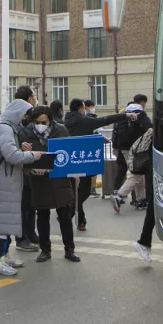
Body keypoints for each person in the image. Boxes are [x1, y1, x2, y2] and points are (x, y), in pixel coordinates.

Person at [0, 95, 44, 276]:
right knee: (2, 223)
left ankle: (5, 256)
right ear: (18, 113)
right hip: (4, 182)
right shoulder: (4, 129)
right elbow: (11, 155)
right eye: (25, 115)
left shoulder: (10, 129)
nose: (26, 119)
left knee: (7, 221)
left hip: (9, 181)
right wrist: (32, 156)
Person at [64, 98, 134, 231]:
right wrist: (125, 115)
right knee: (83, 191)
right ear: (80, 109)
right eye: (84, 108)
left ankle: (80, 220)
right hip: (84, 161)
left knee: (75, 191)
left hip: (68, 162)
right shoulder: (85, 121)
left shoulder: (63, 122)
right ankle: (70, 212)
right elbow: (106, 119)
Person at [25, 106, 79, 263]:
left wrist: (74, 173)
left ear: (50, 120)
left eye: (44, 122)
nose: (40, 124)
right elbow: (22, 159)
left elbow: (69, 152)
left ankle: (70, 249)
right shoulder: (27, 133)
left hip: (59, 179)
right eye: (37, 122)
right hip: (38, 181)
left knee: (65, 216)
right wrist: (30, 170)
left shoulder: (60, 130)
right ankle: (45, 250)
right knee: (42, 217)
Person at [11, 86, 41, 253]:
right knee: (23, 206)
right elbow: (13, 140)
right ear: (29, 99)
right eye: (34, 96)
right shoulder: (18, 118)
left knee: (31, 204)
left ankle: (30, 232)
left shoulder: (32, 115)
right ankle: (21, 237)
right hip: (21, 167)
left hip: (32, 164)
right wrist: (20, 145)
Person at [113, 95, 152, 214]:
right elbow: (150, 131)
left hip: (124, 149)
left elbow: (116, 133)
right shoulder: (142, 116)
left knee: (138, 174)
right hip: (138, 150)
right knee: (137, 175)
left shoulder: (124, 114)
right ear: (142, 102)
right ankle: (119, 196)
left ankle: (140, 200)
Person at [132, 170, 155, 265]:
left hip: (156, 167)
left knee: (154, 205)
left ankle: (145, 242)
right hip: (156, 167)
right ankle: (144, 242)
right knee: (154, 205)